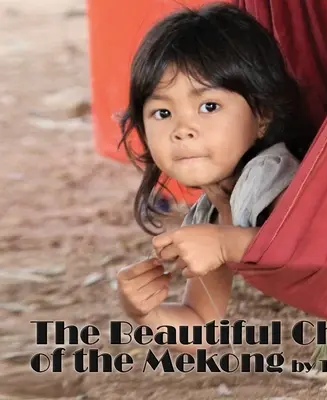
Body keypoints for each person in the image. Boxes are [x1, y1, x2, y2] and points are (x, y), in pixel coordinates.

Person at [116, 2, 315, 352]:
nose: (183, 130)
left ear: (262, 116)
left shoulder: (272, 177)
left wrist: (225, 244)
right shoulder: (211, 212)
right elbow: (199, 329)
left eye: (209, 106)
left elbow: (322, 247)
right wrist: (145, 312)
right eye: (162, 112)